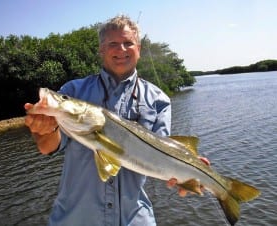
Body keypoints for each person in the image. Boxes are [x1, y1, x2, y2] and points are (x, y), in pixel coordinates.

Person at [25, 15, 208, 226]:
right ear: (101, 50)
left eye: (128, 43)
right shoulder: (73, 90)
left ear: (138, 48)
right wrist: (44, 130)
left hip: (135, 219)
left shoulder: (159, 100)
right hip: (75, 219)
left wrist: (188, 174)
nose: (121, 50)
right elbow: (47, 147)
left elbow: (163, 156)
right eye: (113, 44)